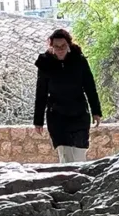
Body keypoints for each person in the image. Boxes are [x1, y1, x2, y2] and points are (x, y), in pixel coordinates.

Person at [33, 28, 102, 163]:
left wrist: (96, 111)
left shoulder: (79, 61)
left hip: (79, 114)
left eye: (63, 46)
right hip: (57, 116)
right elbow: (41, 93)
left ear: (69, 45)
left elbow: (90, 87)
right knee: (65, 157)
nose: (60, 49)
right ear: (51, 46)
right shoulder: (45, 63)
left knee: (79, 156)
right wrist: (38, 121)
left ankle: (81, 183)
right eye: (56, 46)